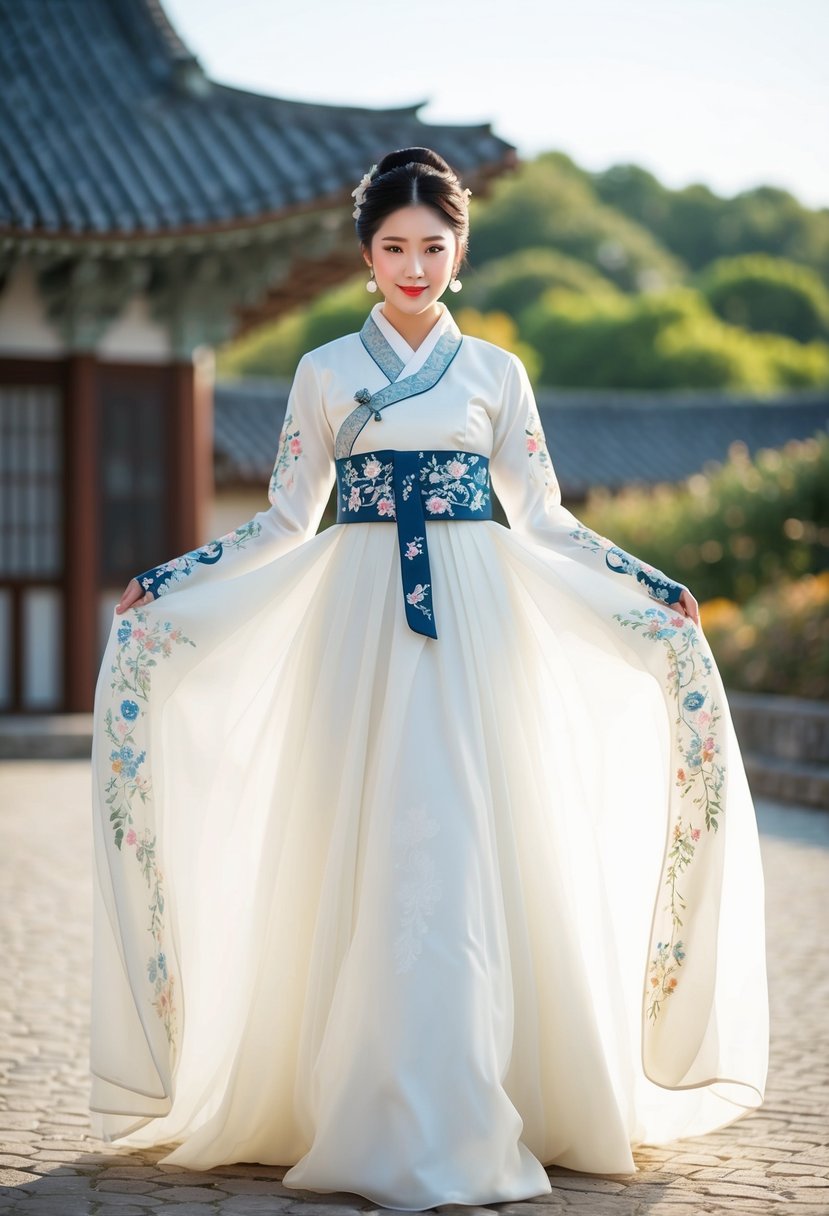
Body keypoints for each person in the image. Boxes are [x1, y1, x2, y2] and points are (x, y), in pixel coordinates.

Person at [89, 146, 768, 1210]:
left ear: (460, 252)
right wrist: (169, 579)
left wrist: (647, 582)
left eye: (433, 247)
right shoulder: (323, 371)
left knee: (463, 844)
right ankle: (356, 1106)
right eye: (394, 247)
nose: (414, 266)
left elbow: (541, 515)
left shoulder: (496, 373)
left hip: (473, 626)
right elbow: (281, 519)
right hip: (354, 628)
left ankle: (473, 1102)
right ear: (365, 255)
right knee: (356, 843)